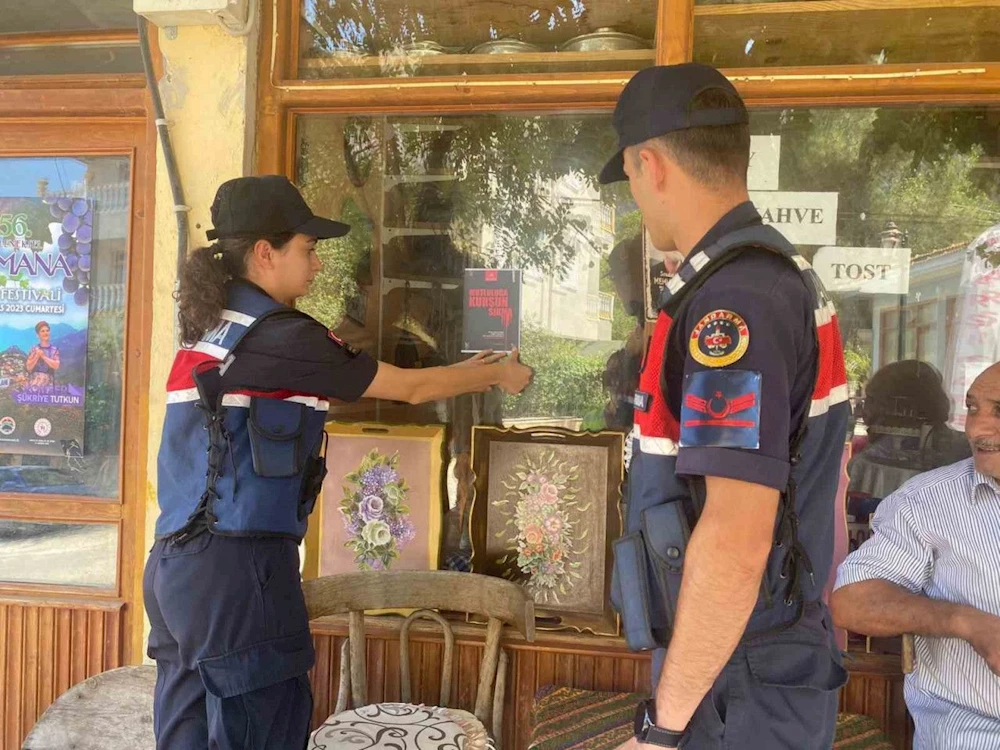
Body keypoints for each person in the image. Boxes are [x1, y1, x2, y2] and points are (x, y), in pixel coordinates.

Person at [143, 175, 533, 750]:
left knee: (186, 736)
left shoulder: (213, 326)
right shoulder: (281, 337)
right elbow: (409, 388)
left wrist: (469, 368)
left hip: (177, 567)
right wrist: (499, 374)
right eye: (308, 248)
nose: (318, 264)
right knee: (262, 733)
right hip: (239, 571)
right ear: (265, 253)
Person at [602, 63, 851, 750]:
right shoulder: (756, 280)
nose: (635, 197)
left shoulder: (735, 302)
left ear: (649, 165)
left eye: (629, 178)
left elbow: (737, 538)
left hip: (738, 680)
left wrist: (661, 730)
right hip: (741, 662)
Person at [831, 362, 1000, 750]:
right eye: (972, 408)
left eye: (999, 411)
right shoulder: (928, 501)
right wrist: (966, 621)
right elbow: (852, 602)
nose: (977, 429)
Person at [25, 321, 60, 387]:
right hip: (34, 383)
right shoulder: (34, 349)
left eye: (47, 331)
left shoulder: (54, 350)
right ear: (37, 335)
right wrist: (37, 356)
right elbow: (28, 367)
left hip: (49, 384)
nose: (45, 333)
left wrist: (43, 356)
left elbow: (56, 365)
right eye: (42, 331)